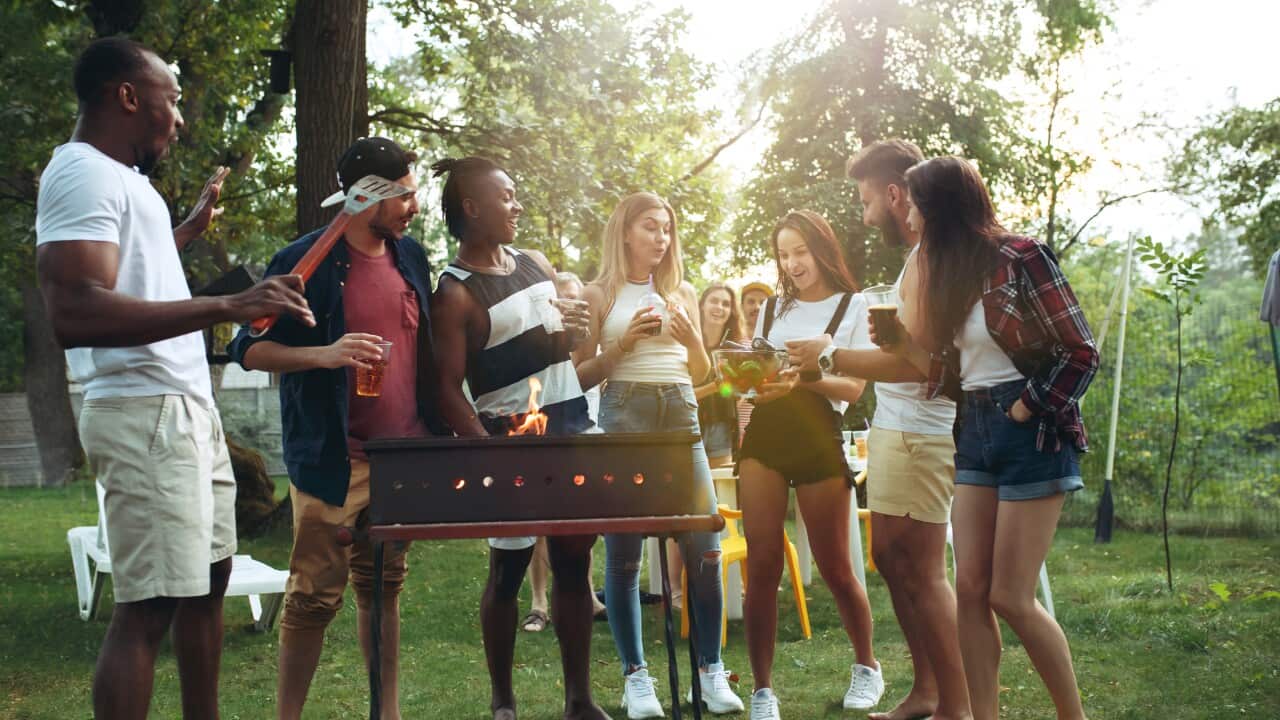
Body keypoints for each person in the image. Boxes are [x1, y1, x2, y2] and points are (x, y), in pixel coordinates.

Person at [36, 37, 312, 719]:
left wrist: (178, 233)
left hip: (184, 411)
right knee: (149, 605)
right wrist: (230, 304)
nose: (180, 118)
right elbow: (73, 309)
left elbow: (125, 269)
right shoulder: (81, 172)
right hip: (143, 411)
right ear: (127, 96)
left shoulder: (127, 183)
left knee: (208, 583)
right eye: (173, 99)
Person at [789, 156, 1097, 720]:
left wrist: (1027, 407)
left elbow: (1081, 352)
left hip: (1031, 432)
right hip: (972, 428)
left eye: (914, 203)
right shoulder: (949, 269)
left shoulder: (1021, 256)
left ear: (939, 206)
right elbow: (941, 374)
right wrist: (902, 344)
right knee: (972, 593)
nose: (907, 214)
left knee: (1010, 596)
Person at [229, 137, 438, 720]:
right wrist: (325, 354)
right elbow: (248, 349)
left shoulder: (410, 257)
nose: (412, 207)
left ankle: (386, 713)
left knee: (384, 585)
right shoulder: (306, 262)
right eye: (402, 195)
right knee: (314, 596)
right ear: (364, 195)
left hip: (400, 456)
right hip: (333, 458)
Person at [428, 156, 608, 720]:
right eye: (507, 197)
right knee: (507, 573)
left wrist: (577, 331)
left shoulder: (535, 262)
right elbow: (445, 388)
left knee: (577, 565)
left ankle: (579, 699)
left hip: (571, 429)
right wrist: (485, 448)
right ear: (472, 208)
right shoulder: (454, 293)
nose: (518, 205)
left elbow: (563, 343)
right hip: (508, 442)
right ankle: (503, 702)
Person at [574, 192, 744, 718]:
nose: (661, 238)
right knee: (623, 554)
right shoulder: (597, 293)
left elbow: (700, 374)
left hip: (680, 413)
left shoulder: (681, 292)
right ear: (625, 232)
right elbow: (578, 376)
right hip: (623, 414)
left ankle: (710, 673)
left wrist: (694, 338)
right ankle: (636, 677)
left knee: (706, 546)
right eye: (651, 227)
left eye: (667, 229)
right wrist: (622, 343)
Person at [736, 210, 882, 720]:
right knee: (761, 563)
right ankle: (762, 691)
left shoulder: (853, 305)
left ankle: (867, 666)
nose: (792, 263)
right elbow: (754, 379)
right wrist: (748, 377)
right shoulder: (772, 308)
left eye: (800, 251)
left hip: (820, 433)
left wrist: (805, 378)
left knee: (837, 567)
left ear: (822, 248)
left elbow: (854, 388)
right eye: (783, 254)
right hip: (766, 433)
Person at [846, 140, 971, 720]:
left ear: (896, 194)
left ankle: (957, 703)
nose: (865, 212)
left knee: (922, 569)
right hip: (895, 425)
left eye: (868, 198)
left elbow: (917, 363)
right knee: (890, 557)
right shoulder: (914, 258)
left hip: (924, 429)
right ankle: (926, 690)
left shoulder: (930, 257)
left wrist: (826, 359)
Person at [523, 272, 609, 633]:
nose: (573, 304)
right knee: (540, 519)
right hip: (545, 429)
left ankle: (586, 593)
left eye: (577, 298)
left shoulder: (588, 341)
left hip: (584, 432)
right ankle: (539, 601)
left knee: (580, 517)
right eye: (565, 298)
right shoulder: (541, 341)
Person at [694, 283, 747, 468]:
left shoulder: (735, 348)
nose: (719, 307)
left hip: (723, 428)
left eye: (726, 304)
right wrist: (716, 386)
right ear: (702, 305)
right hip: (688, 426)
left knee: (721, 491)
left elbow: (737, 395)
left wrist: (730, 389)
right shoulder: (689, 343)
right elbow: (682, 395)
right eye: (714, 301)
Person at [737, 281, 774, 441]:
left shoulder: (774, 342)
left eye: (763, 302)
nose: (757, 307)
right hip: (736, 424)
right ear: (742, 306)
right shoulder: (734, 341)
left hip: (767, 421)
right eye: (751, 301)